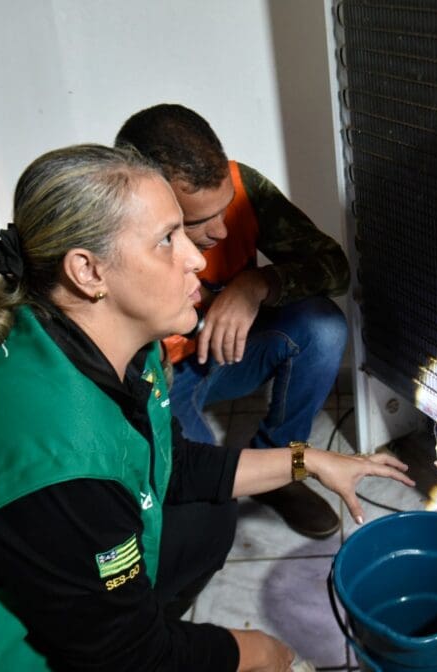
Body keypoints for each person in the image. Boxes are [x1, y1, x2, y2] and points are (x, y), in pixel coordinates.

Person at [0, 144, 413, 672]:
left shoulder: (106, 347)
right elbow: (129, 656)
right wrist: (257, 651)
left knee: (208, 515)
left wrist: (308, 459)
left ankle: (127, 611)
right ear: (88, 272)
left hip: (52, 548)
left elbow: (173, 465)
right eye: (167, 239)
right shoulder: (59, 462)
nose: (196, 258)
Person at [115, 104, 350, 540]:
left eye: (224, 210)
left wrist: (256, 283)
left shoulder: (242, 185)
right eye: (196, 222)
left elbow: (335, 268)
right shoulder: (107, 224)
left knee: (323, 327)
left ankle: (281, 471)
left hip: (231, 353)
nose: (221, 231)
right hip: (161, 380)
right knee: (207, 493)